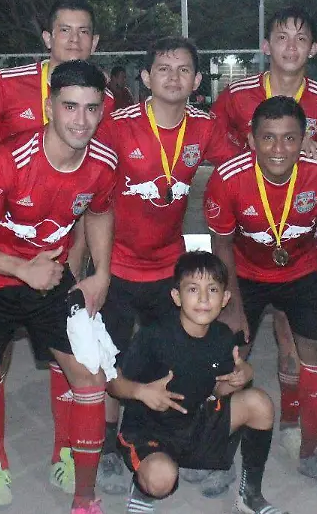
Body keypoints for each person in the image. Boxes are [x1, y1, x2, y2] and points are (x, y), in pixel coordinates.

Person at [0, 59, 117, 514]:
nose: (81, 120)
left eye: (91, 108)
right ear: (49, 107)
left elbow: (100, 211)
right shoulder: (8, 160)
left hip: (49, 281)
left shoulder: (103, 162)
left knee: (90, 377)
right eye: (70, 106)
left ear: (102, 111)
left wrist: (100, 272)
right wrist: (22, 269)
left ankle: (85, 499)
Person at [91, 37, 236, 494]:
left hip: (167, 269)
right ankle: (109, 449)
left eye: (183, 70)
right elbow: (86, 186)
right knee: (108, 362)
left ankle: (183, 442)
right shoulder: (117, 125)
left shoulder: (205, 127)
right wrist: (87, 269)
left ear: (196, 82)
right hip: (115, 265)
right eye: (163, 68)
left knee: (178, 360)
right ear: (146, 77)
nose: (173, 77)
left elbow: (240, 165)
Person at [209, 6, 317, 459]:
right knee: (231, 349)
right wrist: (250, 169)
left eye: (300, 38)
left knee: (300, 344)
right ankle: (216, 440)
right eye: (281, 37)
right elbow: (216, 143)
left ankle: (301, 433)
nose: (291, 47)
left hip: (300, 251)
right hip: (248, 246)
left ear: (314, 48)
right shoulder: (237, 95)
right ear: (266, 45)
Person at [110, 251, 288, 514]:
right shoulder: (154, 336)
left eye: (213, 289)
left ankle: (250, 496)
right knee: (161, 479)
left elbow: (218, 389)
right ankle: (142, 485)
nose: (204, 298)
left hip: (193, 426)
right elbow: (112, 383)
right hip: (148, 433)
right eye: (193, 289)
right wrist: (141, 392)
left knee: (259, 403)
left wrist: (242, 376)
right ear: (176, 296)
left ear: (225, 298)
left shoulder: (222, 336)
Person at [0, 0, 115, 164]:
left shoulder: (105, 99)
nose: (75, 39)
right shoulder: (7, 84)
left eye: (83, 31)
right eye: (65, 30)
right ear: (47, 38)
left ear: (94, 42)